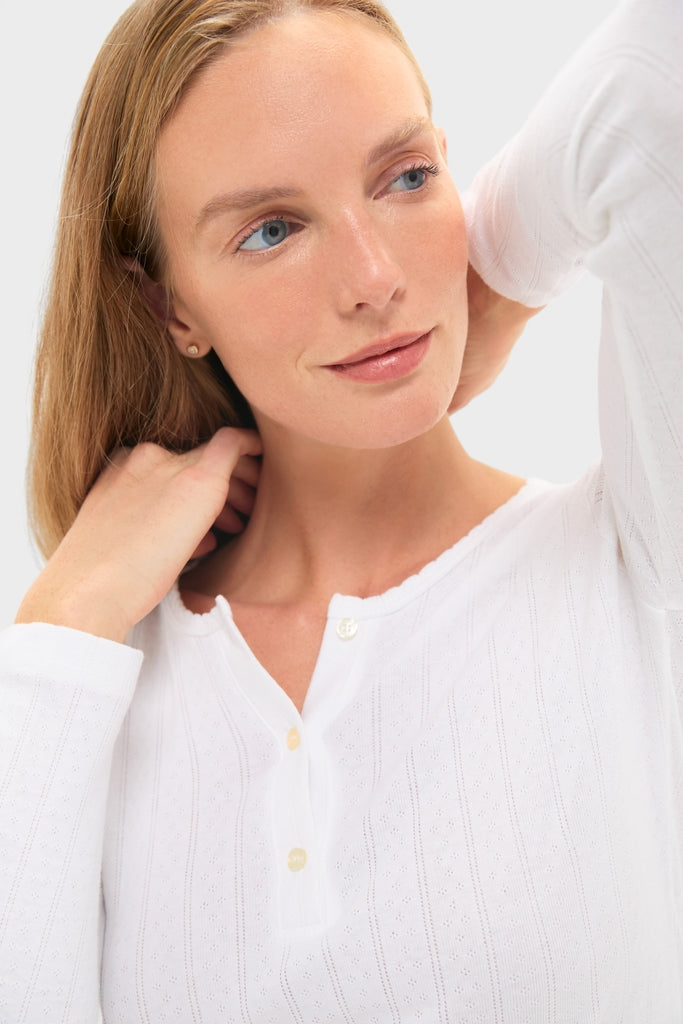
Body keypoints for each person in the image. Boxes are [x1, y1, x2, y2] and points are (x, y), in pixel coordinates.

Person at [1, 0, 681, 1020]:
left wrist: (497, 271)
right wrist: (67, 618)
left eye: (405, 177)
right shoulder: (96, 676)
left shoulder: (640, 560)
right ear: (170, 309)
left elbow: (648, 91)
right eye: (271, 230)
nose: (373, 280)